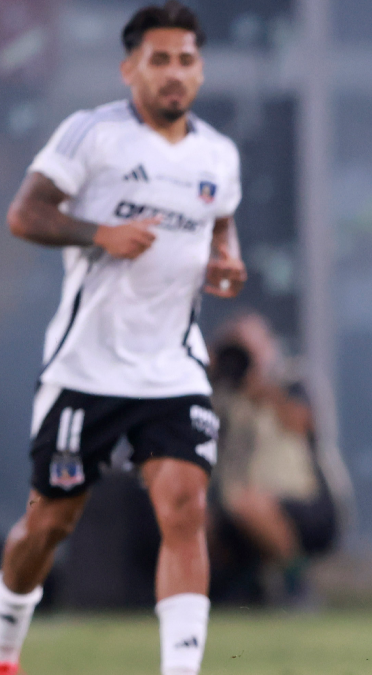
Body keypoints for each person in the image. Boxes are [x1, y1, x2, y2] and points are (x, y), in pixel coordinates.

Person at [0, 3, 244, 674]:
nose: (175, 73)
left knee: (186, 507)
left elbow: (221, 228)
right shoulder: (91, 135)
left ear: (199, 70)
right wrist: (97, 233)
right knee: (48, 523)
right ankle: (5, 641)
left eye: (186, 60)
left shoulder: (217, 153)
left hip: (173, 368)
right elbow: (26, 214)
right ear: (129, 68)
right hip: (86, 369)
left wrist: (227, 260)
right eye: (160, 60)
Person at [206, 314, 338, 605]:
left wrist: (264, 389)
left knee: (247, 503)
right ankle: (234, 590)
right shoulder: (225, 395)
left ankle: (297, 587)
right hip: (241, 500)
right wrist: (212, 371)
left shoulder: (292, 379)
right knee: (202, 512)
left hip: (304, 498)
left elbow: (301, 422)